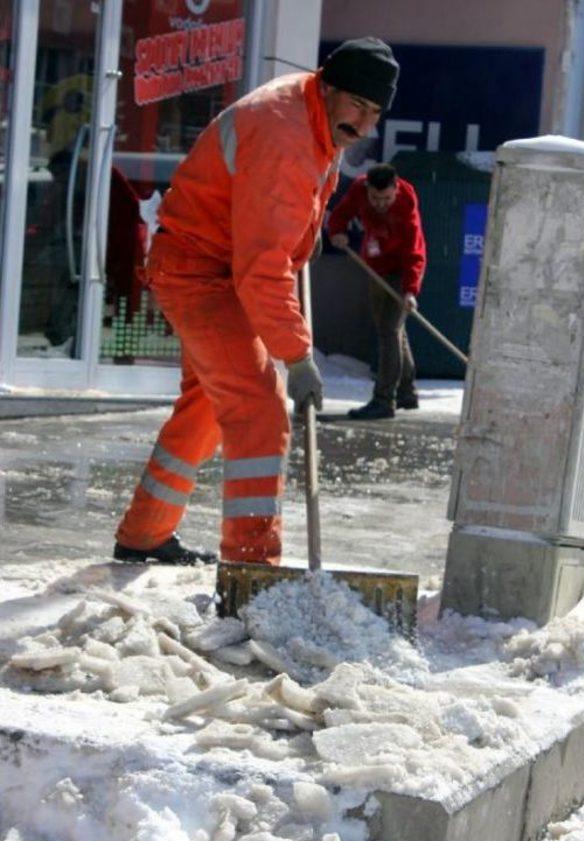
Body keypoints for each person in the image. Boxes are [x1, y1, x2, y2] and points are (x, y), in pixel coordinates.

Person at [113, 37, 400, 566]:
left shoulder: (315, 117)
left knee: (207, 406)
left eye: (376, 112)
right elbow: (260, 269)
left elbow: (279, 221)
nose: (365, 124)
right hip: (201, 270)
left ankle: (144, 533)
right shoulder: (284, 131)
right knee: (260, 407)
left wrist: (304, 234)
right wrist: (297, 356)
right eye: (359, 106)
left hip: (219, 263)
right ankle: (251, 565)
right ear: (329, 87)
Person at [328, 163, 426, 419]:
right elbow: (340, 214)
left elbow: (415, 253)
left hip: (401, 271)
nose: (380, 203)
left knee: (388, 333)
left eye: (386, 198)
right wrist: (337, 232)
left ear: (395, 189)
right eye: (375, 198)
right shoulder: (359, 189)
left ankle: (384, 400)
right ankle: (407, 392)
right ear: (367, 189)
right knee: (393, 331)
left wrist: (410, 290)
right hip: (375, 266)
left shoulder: (406, 206)